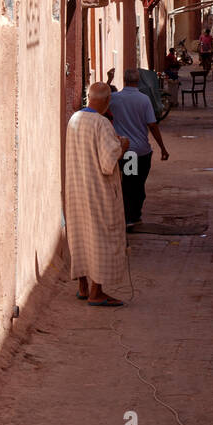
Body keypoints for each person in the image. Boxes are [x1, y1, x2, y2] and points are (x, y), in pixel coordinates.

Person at [65, 82, 130, 307]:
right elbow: (107, 163)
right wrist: (122, 146)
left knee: (81, 237)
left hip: (76, 189)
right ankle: (96, 291)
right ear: (106, 100)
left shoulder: (74, 119)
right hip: (97, 191)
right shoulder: (101, 123)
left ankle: (83, 287)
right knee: (101, 238)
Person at [108, 67, 170, 228]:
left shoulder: (114, 98)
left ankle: (131, 215)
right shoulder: (144, 99)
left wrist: (108, 80)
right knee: (135, 184)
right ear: (138, 81)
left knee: (130, 183)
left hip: (125, 150)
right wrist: (162, 147)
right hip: (140, 151)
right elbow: (152, 124)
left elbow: (102, 97)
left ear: (125, 80)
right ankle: (131, 217)